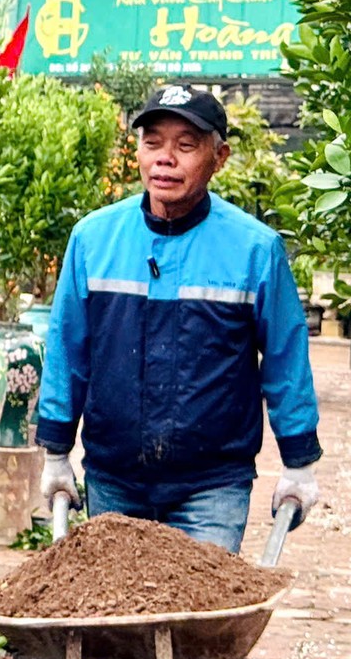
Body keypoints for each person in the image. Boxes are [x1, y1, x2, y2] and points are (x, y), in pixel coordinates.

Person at [37, 86, 322, 551]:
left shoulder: (254, 250)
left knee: (196, 620)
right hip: (114, 477)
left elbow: (286, 360)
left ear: (219, 156)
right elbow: (68, 350)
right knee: (116, 616)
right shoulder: (93, 240)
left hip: (212, 486)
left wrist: (298, 462)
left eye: (185, 145)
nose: (165, 159)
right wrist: (55, 451)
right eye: (153, 143)